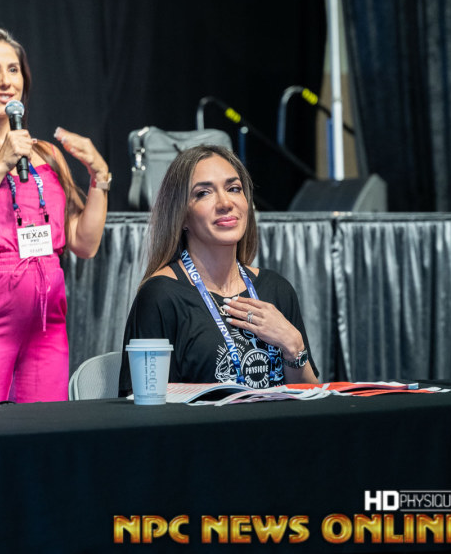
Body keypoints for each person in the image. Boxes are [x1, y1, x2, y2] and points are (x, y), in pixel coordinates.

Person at [0, 28, 110, 404]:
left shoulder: (47, 154)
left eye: (13, 70)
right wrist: (0, 163)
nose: (6, 81)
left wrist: (99, 178)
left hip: (46, 326)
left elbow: (84, 243)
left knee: (44, 434)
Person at [119, 145, 319, 395]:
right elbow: (145, 403)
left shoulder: (276, 289)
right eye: (203, 193)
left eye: (234, 189)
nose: (225, 203)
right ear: (181, 216)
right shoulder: (160, 296)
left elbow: (310, 401)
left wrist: (294, 346)